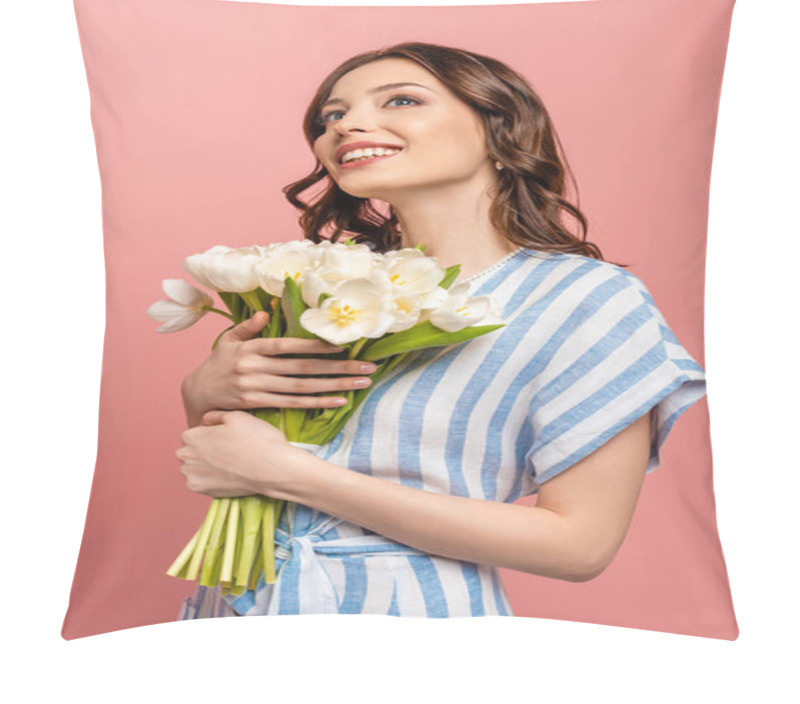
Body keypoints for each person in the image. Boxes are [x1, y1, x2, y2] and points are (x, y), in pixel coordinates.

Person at [175, 42, 707, 619]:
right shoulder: (317, 285)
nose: (347, 125)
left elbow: (579, 545)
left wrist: (293, 476)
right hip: (235, 619)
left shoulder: (585, 299)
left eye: (401, 100)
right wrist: (203, 398)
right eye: (331, 116)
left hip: (415, 631)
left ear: (500, 131)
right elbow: (236, 464)